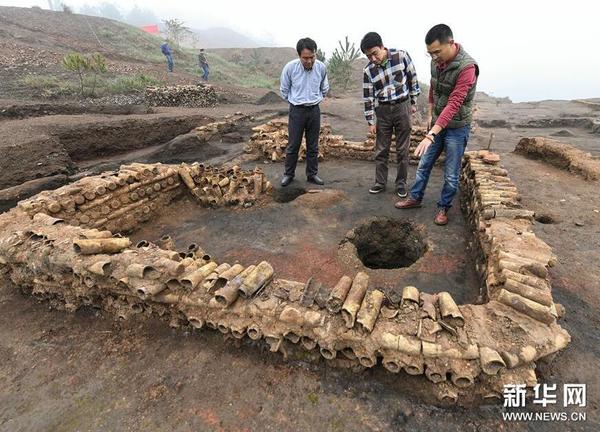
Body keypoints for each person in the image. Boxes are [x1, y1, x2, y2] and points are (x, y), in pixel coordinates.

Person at [395, 24, 479, 226]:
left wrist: (432, 134)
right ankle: (415, 198)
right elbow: (434, 87)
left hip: (457, 127)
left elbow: (454, 103)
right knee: (424, 165)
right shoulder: (437, 63)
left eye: (437, 52)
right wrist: (430, 116)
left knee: (451, 173)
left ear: (450, 43)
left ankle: (444, 207)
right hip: (438, 124)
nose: (434, 57)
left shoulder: (467, 68)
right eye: (430, 54)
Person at [361, 32, 420, 197]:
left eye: (375, 53)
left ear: (382, 46)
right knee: (381, 149)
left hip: (403, 107)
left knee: (403, 150)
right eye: (368, 56)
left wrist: (413, 103)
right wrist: (371, 121)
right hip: (383, 111)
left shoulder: (401, 56)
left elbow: (413, 79)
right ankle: (380, 183)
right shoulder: (368, 71)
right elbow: (368, 97)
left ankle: (401, 184)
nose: (373, 58)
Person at [279, 37, 329, 187]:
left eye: (311, 57)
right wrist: (296, 102)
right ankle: (288, 175)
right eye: (305, 58)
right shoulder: (290, 68)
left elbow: (325, 88)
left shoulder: (321, 68)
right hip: (297, 111)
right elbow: (284, 90)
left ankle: (312, 174)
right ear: (299, 56)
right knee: (293, 145)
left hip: (314, 110)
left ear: (315, 54)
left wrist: (316, 99)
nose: (309, 61)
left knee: (313, 145)